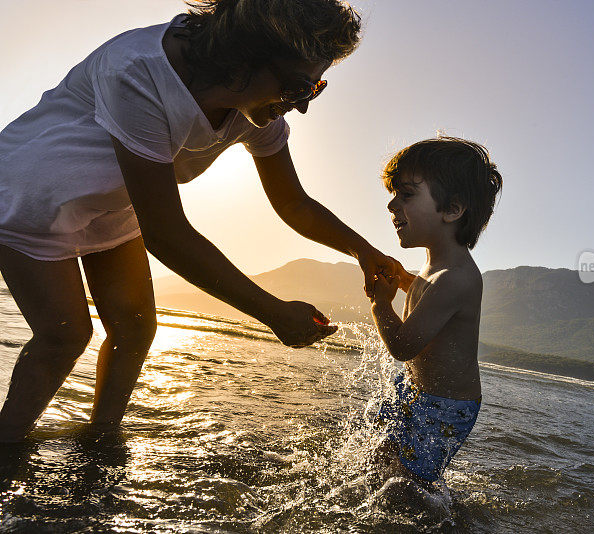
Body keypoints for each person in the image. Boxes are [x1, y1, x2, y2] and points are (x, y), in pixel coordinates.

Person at [0, 0, 407, 442]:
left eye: (314, 89)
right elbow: (166, 234)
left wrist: (365, 253)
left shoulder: (260, 110)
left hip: (114, 205)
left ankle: (99, 444)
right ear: (245, 55)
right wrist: (270, 312)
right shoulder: (139, 71)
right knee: (64, 335)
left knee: (135, 328)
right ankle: (7, 447)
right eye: (295, 87)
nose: (302, 106)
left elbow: (293, 203)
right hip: (32, 194)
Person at [368, 136, 502, 487]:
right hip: (416, 390)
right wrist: (402, 281)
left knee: (411, 487)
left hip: (444, 407)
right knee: (381, 461)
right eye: (394, 194)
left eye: (407, 195)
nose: (392, 205)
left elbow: (402, 346)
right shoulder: (436, 270)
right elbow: (426, 294)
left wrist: (379, 303)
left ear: (452, 209)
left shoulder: (457, 278)